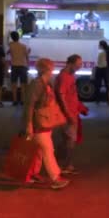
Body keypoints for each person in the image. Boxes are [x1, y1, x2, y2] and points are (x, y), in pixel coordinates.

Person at [24, 58, 70, 190]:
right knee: (48, 150)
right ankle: (55, 178)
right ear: (46, 69)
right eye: (51, 68)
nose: (53, 70)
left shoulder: (45, 83)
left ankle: (33, 174)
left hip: (43, 122)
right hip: (39, 123)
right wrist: (29, 125)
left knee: (39, 151)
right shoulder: (38, 84)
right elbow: (30, 105)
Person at [55, 55, 89, 175]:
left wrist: (79, 106)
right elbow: (61, 95)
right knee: (70, 140)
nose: (80, 67)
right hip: (68, 113)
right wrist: (68, 113)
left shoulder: (68, 75)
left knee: (66, 139)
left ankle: (58, 162)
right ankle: (66, 165)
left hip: (70, 111)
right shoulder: (65, 77)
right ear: (70, 63)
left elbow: (69, 95)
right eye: (78, 64)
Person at [8, 31, 30, 106]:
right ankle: (22, 101)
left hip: (14, 66)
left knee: (14, 84)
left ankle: (14, 101)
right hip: (23, 66)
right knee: (23, 85)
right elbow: (26, 56)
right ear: (18, 37)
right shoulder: (23, 46)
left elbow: (8, 52)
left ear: (12, 38)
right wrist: (28, 65)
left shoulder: (10, 45)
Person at [94, 40, 109, 105]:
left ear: (101, 46)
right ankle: (108, 100)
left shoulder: (100, 52)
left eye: (99, 45)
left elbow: (97, 62)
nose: (98, 46)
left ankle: (97, 100)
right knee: (107, 85)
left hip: (99, 69)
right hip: (106, 69)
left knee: (98, 85)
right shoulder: (107, 52)